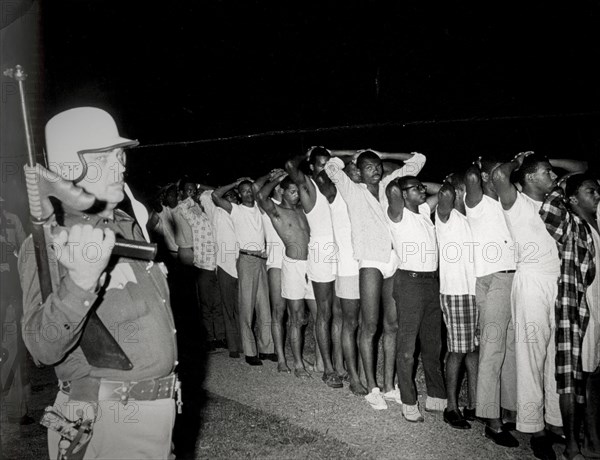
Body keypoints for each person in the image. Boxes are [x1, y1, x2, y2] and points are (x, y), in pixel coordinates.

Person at [19, 107, 179, 459]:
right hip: (105, 421)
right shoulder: (51, 242)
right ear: (72, 167)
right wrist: (80, 281)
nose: (121, 165)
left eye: (121, 155)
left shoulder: (125, 226)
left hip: (155, 417)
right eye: (107, 157)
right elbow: (41, 348)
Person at [492, 152, 586, 459]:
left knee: (554, 356)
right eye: (546, 173)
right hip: (531, 281)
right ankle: (535, 429)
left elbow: (582, 168)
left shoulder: (556, 201)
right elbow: (497, 176)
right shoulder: (516, 202)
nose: (552, 177)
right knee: (531, 355)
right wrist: (519, 162)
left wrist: (552, 162)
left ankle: (555, 420)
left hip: (559, 282)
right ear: (530, 177)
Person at [324, 148, 426, 410]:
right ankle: (372, 387)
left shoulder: (388, 187)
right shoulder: (352, 189)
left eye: (378, 166)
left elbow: (418, 160)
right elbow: (331, 167)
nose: (375, 170)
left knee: (391, 326)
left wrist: (380, 153)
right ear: (358, 170)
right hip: (369, 262)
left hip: (394, 261)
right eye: (369, 167)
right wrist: (350, 155)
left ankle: (389, 385)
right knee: (369, 326)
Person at [540, 173, 600, 460]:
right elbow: (549, 210)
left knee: (592, 378)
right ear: (573, 198)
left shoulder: (596, 226)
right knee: (571, 377)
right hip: (575, 308)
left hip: (597, 311)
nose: (597, 195)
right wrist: (561, 182)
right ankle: (571, 446)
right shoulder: (571, 225)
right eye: (591, 191)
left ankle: (591, 442)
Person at [464, 157, 519, 447]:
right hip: (495, 279)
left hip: (512, 279)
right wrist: (489, 164)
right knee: (493, 348)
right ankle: (491, 420)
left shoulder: (507, 201)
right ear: (486, 175)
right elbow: (474, 177)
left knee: (509, 348)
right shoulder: (477, 201)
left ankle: (509, 412)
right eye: (494, 174)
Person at [386, 176, 446, 422]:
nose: (423, 190)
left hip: (432, 282)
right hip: (409, 282)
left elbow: (444, 191)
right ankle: (408, 400)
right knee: (408, 346)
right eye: (417, 188)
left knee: (433, 343)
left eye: (423, 186)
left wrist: (419, 185)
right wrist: (402, 181)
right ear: (402, 194)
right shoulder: (397, 213)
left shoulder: (422, 211)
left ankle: (437, 395)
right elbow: (391, 189)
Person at [285, 148, 342, 388]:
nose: (326, 169)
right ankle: (328, 369)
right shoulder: (309, 188)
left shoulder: (338, 185)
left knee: (340, 312)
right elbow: (289, 164)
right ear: (311, 167)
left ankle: (338, 364)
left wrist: (336, 152)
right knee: (323, 313)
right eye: (320, 165)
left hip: (341, 250)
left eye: (329, 164)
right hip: (319, 250)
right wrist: (306, 154)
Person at [255, 170, 317, 377]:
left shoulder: (301, 210)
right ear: (281, 190)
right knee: (279, 311)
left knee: (298, 315)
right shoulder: (273, 208)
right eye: (292, 191)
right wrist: (278, 178)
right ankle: (282, 358)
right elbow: (259, 194)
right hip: (277, 262)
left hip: (302, 262)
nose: (296, 195)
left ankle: (303, 357)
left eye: (297, 191)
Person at [313, 165, 367, 395]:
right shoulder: (335, 194)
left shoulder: (366, 190)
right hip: (347, 268)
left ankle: (363, 375)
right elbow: (322, 174)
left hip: (370, 266)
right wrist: (346, 157)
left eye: (358, 167)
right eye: (351, 168)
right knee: (349, 323)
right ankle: (352, 376)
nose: (355, 171)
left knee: (367, 324)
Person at [213, 177, 275, 366]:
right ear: (239, 194)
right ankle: (250, 352)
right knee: (246, 308)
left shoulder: (260, 207)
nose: (249, 194)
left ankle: (267, 349)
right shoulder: (235, 210)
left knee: (264, 307)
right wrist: (234, 183)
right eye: (245, 191)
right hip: (246, 259)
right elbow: (216, 196)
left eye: (251, 190)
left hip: (261, 260)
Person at [435, 174, 478, 430]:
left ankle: (474, 404)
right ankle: (451, 407)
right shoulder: (446, 215)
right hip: (456, 291)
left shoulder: (471, 217)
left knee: (475, 351)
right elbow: (445, 195)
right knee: (458, 350)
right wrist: (450, 182)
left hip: (477, 289)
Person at [174, 180, 226, 352]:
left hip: (215, 263)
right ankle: (209, 338)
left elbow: (214, 190)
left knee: (217, 304)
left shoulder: (202, 210)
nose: (191, 192)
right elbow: (182, 204)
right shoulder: (184, 208)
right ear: (182, 192)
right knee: (205, 305)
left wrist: (198, 187)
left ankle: (221, 337)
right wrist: (191, 195)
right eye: (187, 190)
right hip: (202, 264)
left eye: (192, 190)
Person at [199, 187, 243, 358]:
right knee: (227, 307)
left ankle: (243, 344)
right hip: (224, 265)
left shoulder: (240, 212)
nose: (231, 198)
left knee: (241, 307)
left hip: (240, 263)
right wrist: (234, 184)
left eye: (234, 195)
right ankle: (233, 346)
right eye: (228, 195)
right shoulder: (216, 211)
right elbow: (208, 194)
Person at [1, 196, 33, 425]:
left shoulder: (11, 219)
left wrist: (14, 251)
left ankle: (16, 410)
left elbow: (25, 252)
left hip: (11, 293)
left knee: (14, 349)